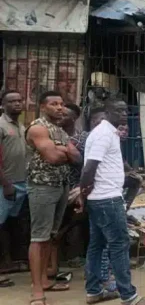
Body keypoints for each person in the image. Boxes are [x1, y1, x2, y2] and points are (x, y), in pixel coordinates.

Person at [79, 98, 145, 305]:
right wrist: (84, 194)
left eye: (125, 110)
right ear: (107, 112)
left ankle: (94, 292)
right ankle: (129, 296)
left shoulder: (107, 133)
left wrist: (86, 197)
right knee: (119, 245)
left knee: (97, 245)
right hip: (107, 200)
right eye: (118, 110)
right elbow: (88, 169)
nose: (123, 114)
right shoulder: (104, 135)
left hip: (100, 199)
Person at [25, 91, 81, 305]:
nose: (60, 108)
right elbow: (52, 156)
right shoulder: (38, 128)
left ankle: (45, 280)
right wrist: (63, 151)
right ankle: (37, 291)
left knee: (50, 235)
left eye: (61, 104)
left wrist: (63, 150)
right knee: (39, 238)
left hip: (61, 185)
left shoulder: (59, 130)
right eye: (54, 104)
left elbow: (76, 157)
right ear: (42, 107)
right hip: (43, 186)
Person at [45, 103, 82, 285]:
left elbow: (80, 161)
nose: (61, 116)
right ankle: (52, 266)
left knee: (65, 225)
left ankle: (64, 260)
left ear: (74, 118)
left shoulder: (82, 137)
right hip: (54, 184)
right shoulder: (50, 134)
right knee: (52, 228)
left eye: (66, 114)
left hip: (75, 186)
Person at [0, 91, 27, 289]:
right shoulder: (1, 125)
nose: (17, 104)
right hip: (5, 183)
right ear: (3, 104)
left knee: (10, 225)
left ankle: (7, 263)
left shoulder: (21, 126)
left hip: (21, 183)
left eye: (19, 100)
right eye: (12, 101)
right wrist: (6, 183)